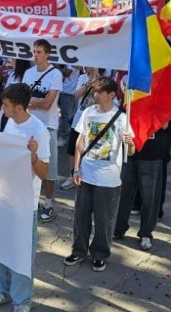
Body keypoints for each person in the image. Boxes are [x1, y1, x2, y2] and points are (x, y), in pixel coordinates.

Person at [0, 83, 49, 312]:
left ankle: (22, 300)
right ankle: (1, 290)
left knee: (21, 254)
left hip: (24, 204)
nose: (2, 108)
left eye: (6, 105)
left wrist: (33, 157)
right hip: (2, 198)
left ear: (19, 108)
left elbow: (44, 172)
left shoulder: (39, 130)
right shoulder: (8, 121)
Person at [64, 77, 133, 272]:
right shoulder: (88, 112)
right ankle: (79, 251)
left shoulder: (121, 118)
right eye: (95, 91)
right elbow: (80, 142)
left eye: (100, 92)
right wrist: (76, 168)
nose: (96, 95)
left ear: (111, 94)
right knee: (81, 217)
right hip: (86, 174)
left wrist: (130, 143)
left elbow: (131, 151)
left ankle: (100, 254)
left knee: (104, 220)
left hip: (108, 178)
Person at [115, 73, 171, 250]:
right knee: (124, 192)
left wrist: (148, 110)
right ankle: (118, 228)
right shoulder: (131, 96)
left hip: (152, 154)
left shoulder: (163, 99)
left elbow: (165, 124)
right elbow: (122, 118)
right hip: (131, 152)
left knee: (149, 196)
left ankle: (145, 233)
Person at [23, 39, 63, 223]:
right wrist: (36, 101)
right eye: (34, 52)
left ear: (47, 54)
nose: (35, 55)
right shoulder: (28, 73)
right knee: (29, 163)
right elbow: (23, 100)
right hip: (29, 125)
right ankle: (30, 200)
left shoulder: (55, 74)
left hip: (48, 126)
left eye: (39, 52)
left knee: (48, 168)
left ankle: (48, 202)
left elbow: (47, 105)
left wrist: (32, 101)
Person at [60, 67, 101, 191]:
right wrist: (88, 83)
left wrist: (97, 78)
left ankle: (88, 178)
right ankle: (72, 175)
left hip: (95, 121)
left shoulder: (102, 79)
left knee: (91, 150)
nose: (88, 67)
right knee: (72, 149)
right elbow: (76, 94)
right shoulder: (82, 77)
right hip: (79, 118)